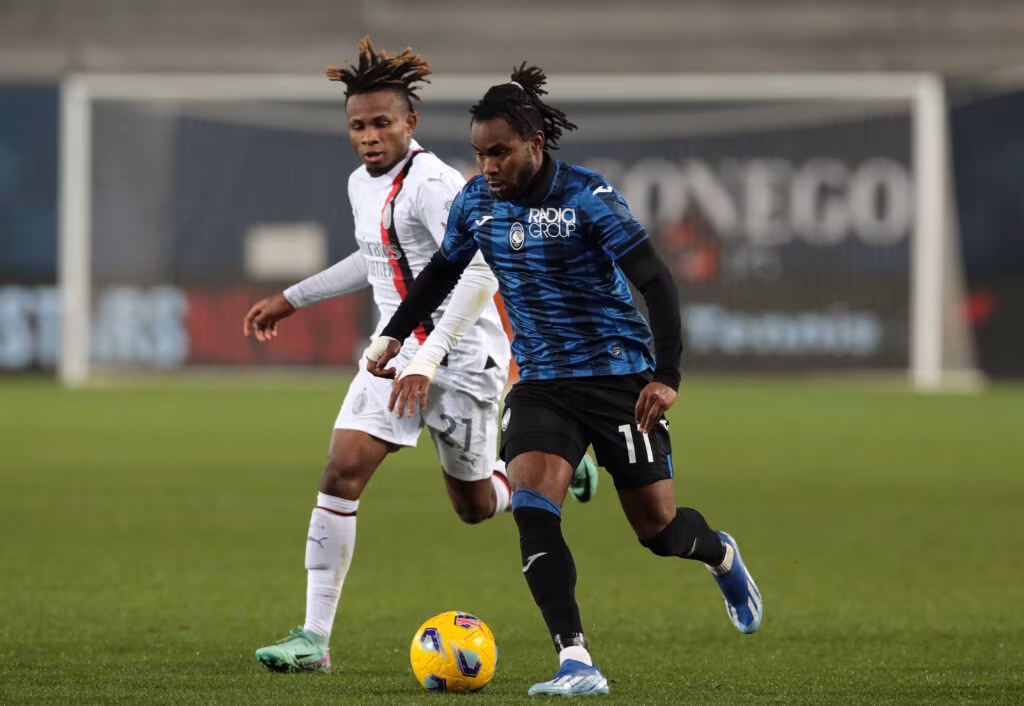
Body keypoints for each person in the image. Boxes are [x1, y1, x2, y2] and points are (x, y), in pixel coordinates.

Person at [366, 64, 762, 696]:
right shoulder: (476, 202)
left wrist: (666, 376)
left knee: (659, 531)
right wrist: (393, 335)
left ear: (535, 143)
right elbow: (441, 272)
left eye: (499, 152)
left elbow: (657, 282)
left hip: (618, 379)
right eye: (479, 154)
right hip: (542, 383)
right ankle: (575, 660)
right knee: (531, 508)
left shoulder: (587, 196)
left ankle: (720, 555)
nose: (487, 167)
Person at [242, 42, 599, 674]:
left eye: (382, 123)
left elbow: (481, 269)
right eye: (358, 125)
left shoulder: (435, 187)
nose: (369, 136)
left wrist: (428, 359)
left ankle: (555, 469)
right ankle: (314, 639)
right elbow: (373, 256)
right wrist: (293, 298)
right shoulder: (360, 184)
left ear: (411, 123)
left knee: (473, 507)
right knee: (341, 471)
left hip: (461, 361)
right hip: (393, 353)